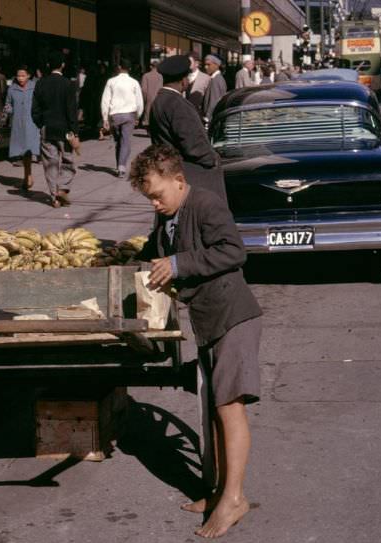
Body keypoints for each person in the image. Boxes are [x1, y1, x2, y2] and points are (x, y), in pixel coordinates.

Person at [131, 144, 262, 540]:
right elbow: (159, 249)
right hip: (208, 322)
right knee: (212, 412)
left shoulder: (205, 204)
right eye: (148, 197)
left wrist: (178, 264)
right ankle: (218, 490)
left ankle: (234, 499)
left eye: (158, 194)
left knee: (229, 408)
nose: (155, 203)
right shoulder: (169, 215)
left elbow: (233, 252)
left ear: (179, 180)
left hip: (233, 318)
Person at [149, 54, 225, 199]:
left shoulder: (159, 101)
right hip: (189, 174)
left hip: (170, 169)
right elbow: (193, 144)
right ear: (183, 81)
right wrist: (212, 159)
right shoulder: (178, 104)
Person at [31, 51, 78, 208]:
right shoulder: (68, 84)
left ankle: (54, 196)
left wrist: (41, 124)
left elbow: (35, 110)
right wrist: (74, 131)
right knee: (68, 160)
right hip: (65, 129)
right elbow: (72, 110)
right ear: (62, 65)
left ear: (48, 66)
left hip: (47, 127)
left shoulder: (40, 83)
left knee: (50, 163)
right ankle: (63, 187)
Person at [101, 57, 143, 178]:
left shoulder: (111, 81)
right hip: (129, 114)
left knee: (118, 141)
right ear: (129, 68)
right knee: (125, 141)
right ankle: (121, 166)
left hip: (115, 115)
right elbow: (139, 101)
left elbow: (105, 100)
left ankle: (119, 164)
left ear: (119, 67)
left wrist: (105, 118)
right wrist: (138, 115)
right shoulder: (134, 82)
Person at [5, 66, 41, 192]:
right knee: (23, 152)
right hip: (18, 123)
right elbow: (8, 104)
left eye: (23, 76)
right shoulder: (12, 89)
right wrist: (10, 110)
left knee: (30, 151)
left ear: (29, 75)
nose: (20, 78)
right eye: (18, 76)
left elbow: (40, 103)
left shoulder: (35, 87)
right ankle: (27, 176)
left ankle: (28, 176)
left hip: (32, 123)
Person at [202, 55, 227, 129]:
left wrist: (207, 118)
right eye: (205, 64)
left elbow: (214, 101)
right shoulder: (215, 78)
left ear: (216, 65)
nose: (206, 67)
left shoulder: (216, 80)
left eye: (208, 65)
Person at [140, 60, 163, 127]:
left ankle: (147, 126)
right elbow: (161, 87)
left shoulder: (146, 76)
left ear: (151, 67)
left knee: (148, 112)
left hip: (148, 98)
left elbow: (144, 89)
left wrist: (144, 99)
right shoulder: (160, 76)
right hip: (158, 97)